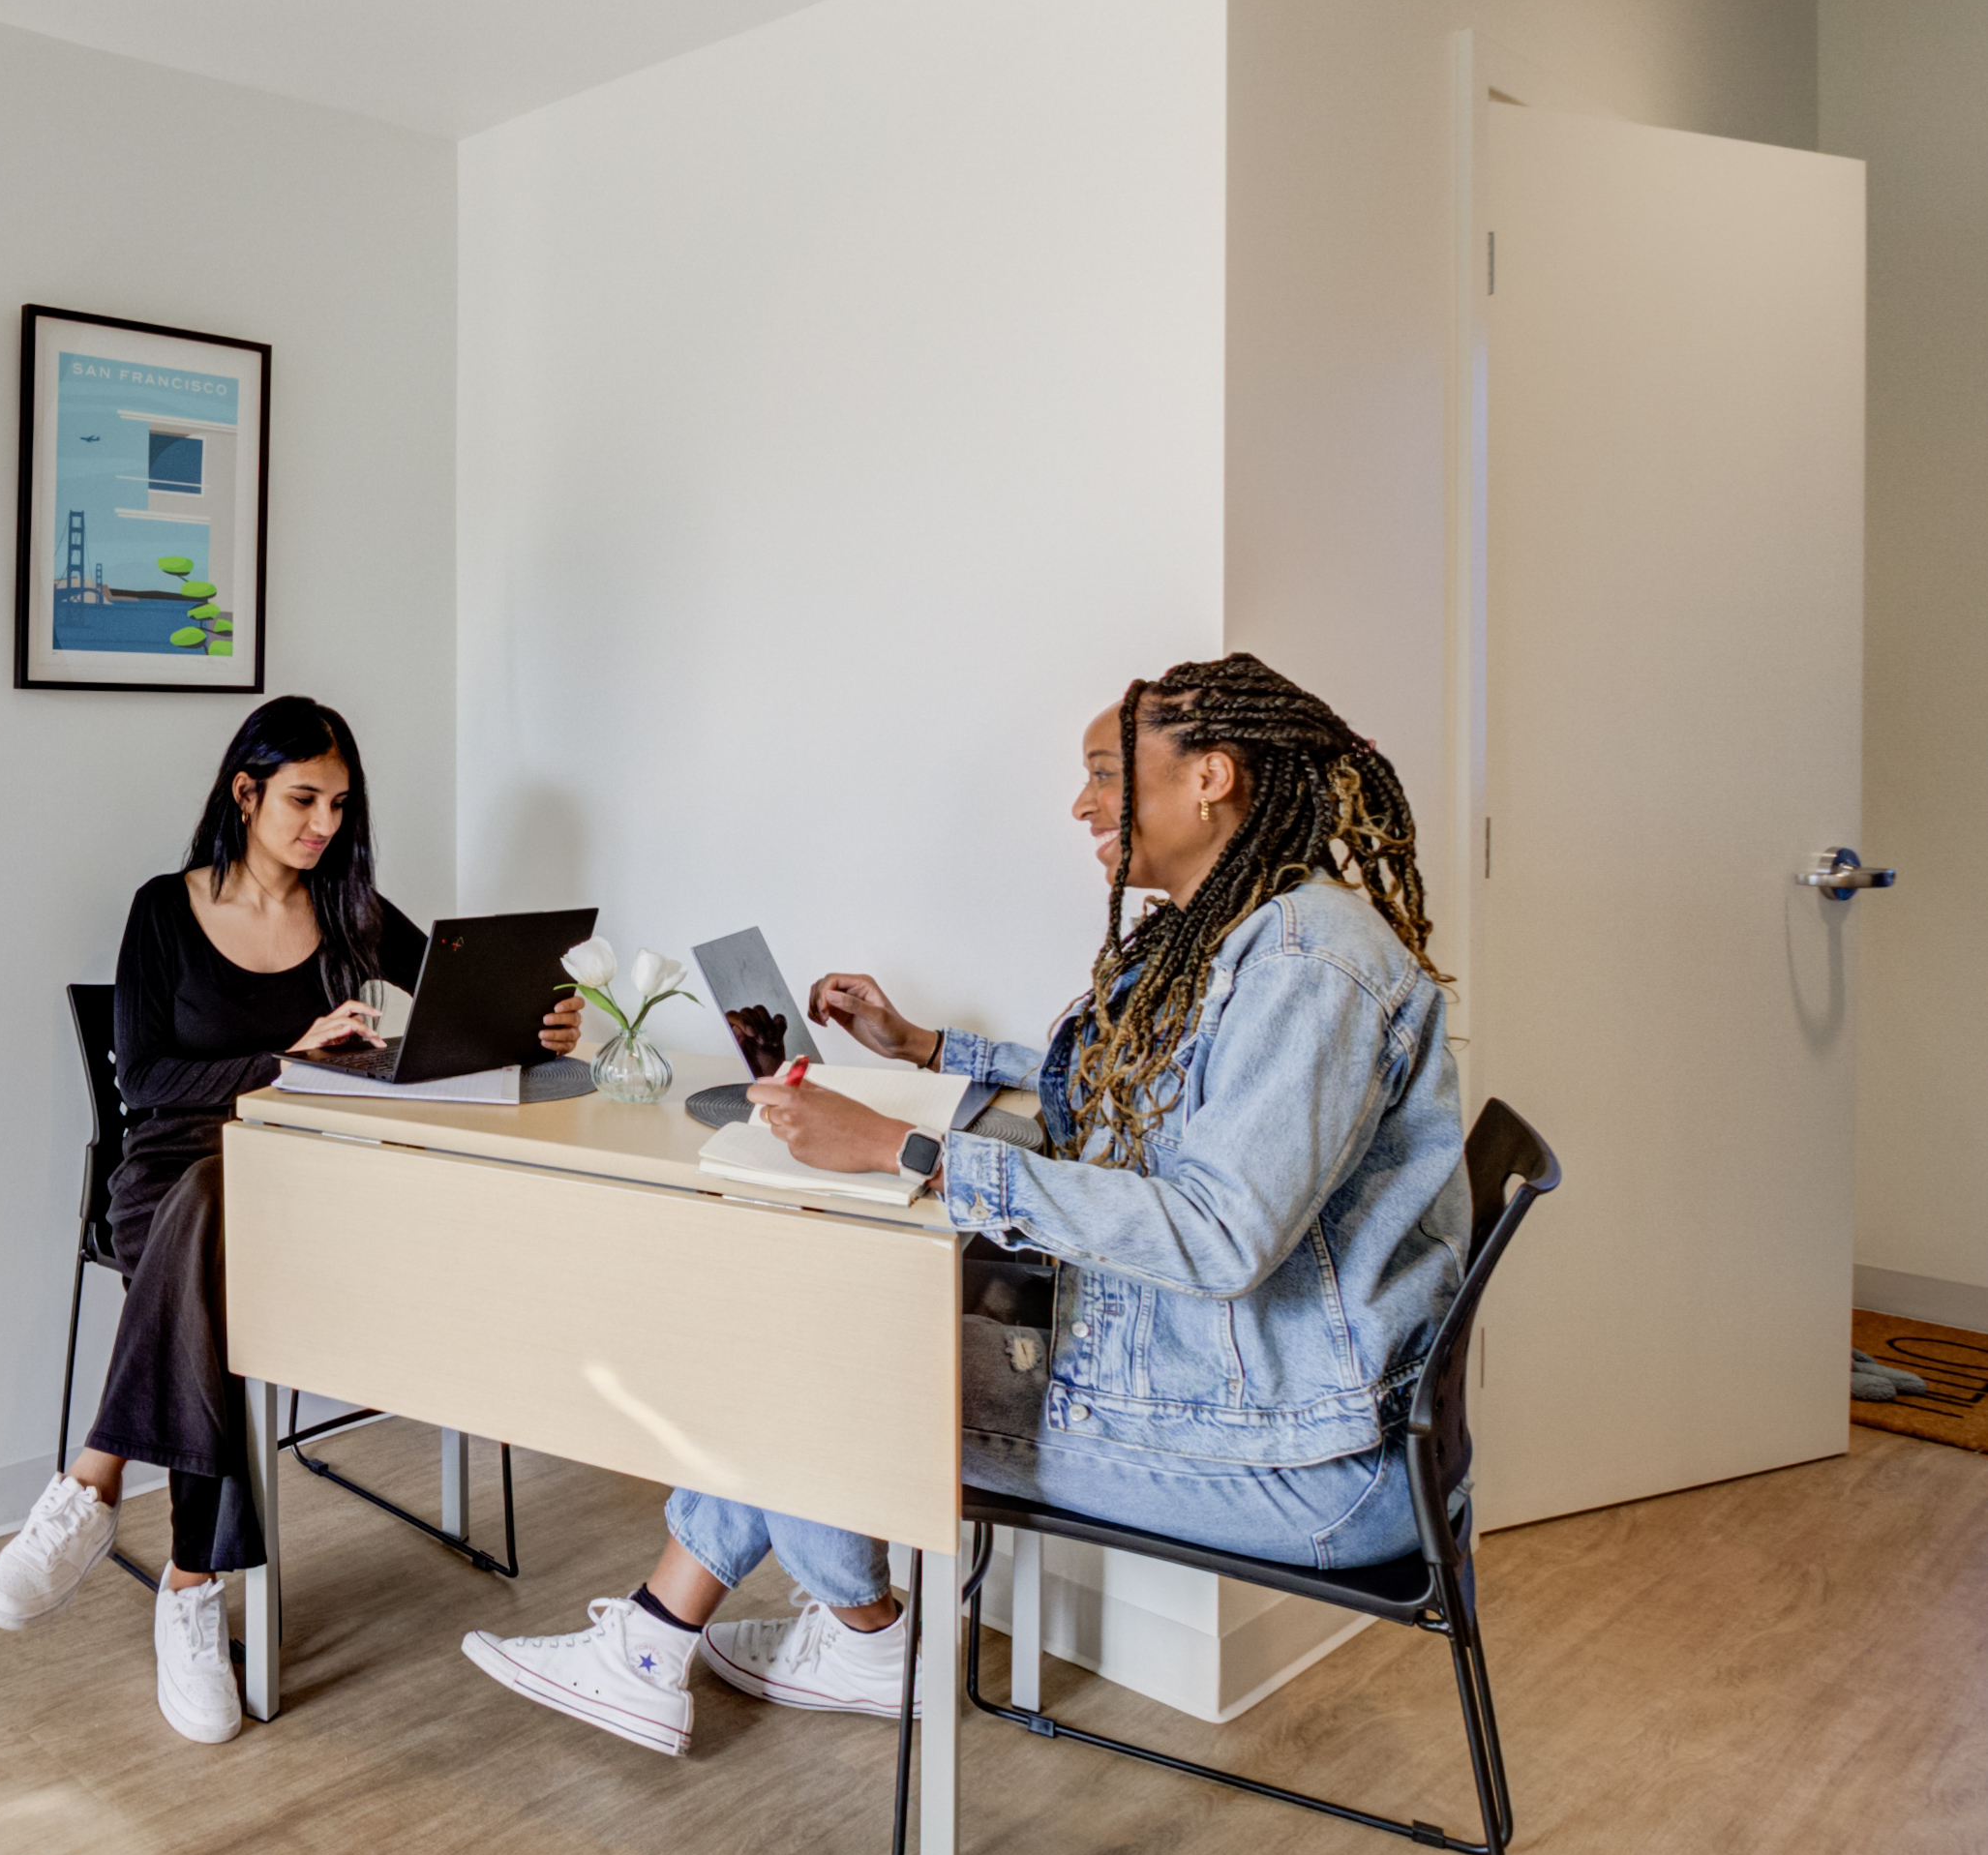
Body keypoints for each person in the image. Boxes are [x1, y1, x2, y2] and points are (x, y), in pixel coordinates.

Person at [462, 653, 1467, 1758]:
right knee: (804, 1326)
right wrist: (928, 1049)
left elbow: (1220, 1233)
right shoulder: (1236, 933)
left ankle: (832, 1638)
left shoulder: (1307, 964)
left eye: (1102, 772)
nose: (1080, 803)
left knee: (790, 1369)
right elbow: (1126, 1098)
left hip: (1304, 1464)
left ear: (1211, 776)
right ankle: (698, 1643)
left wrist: (914, 1150)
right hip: (1238, 1392)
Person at [0, 694, 585, 1743]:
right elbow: (149, 1082)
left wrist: (541, 1021)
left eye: (340, 805)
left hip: (314, 1189)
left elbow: (453, 1021)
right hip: (171, 1176)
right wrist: (288, 1056)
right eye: (304, 799)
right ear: (245, 791)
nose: (324, 826)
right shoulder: (165, 909)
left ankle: (92, 1481)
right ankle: (194, 1588)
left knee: (238, 1212)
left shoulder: (350, 913)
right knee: (220, 1211)